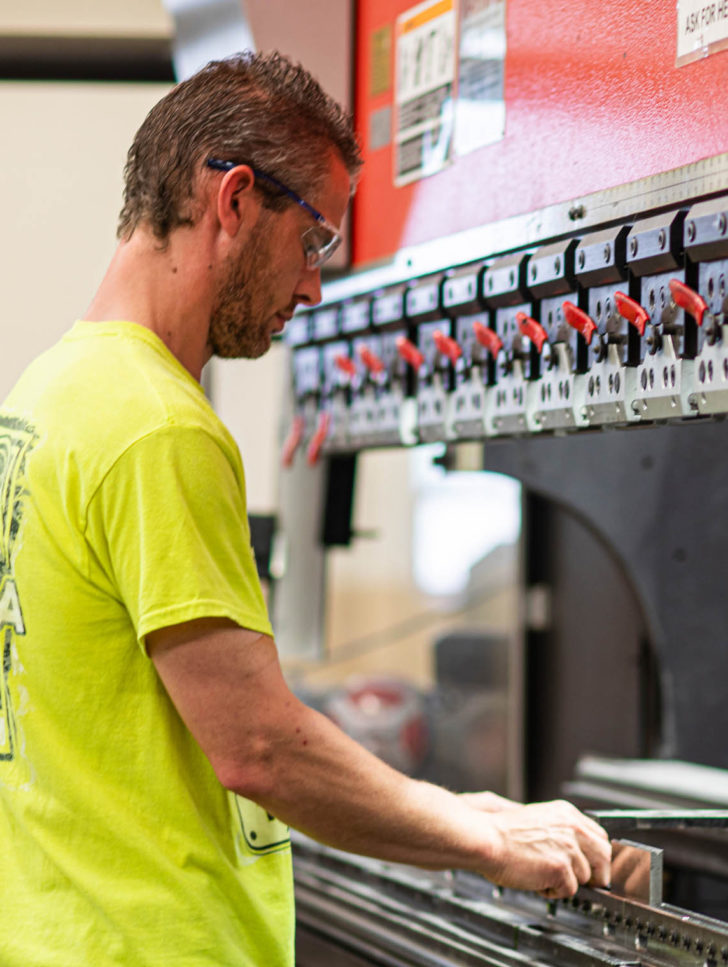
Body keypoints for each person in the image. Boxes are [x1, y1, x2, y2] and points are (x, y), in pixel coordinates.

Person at [0, 51, 610, 967]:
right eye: (314, 239)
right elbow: (257, 747)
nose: (313, 285)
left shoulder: (46, 395)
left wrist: (462, 806)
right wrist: (487, 839)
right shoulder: (159, 427)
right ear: (236, 200)